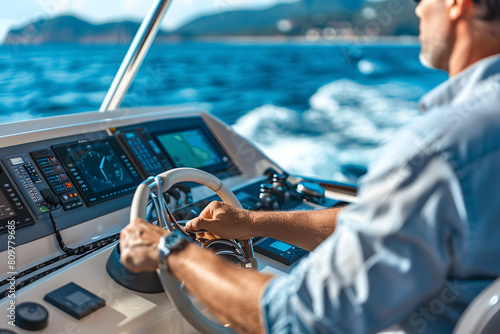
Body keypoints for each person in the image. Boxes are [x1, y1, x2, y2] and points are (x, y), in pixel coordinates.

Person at [119, 0, 500, 332]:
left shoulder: (437, 150)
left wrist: (172, 249)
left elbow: (295, 320)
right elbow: (383, 224)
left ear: (456, 3)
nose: (416, 9)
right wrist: (253, 223)